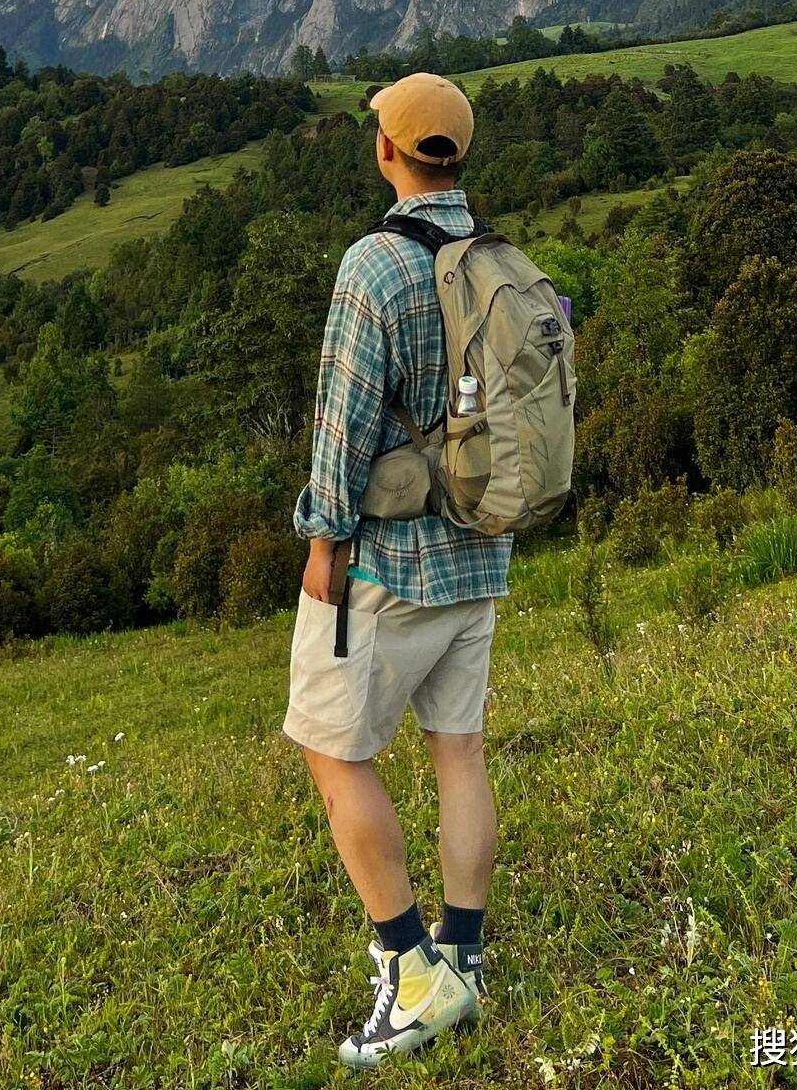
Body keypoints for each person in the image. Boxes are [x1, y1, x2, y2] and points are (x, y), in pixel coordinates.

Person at [285, 70, 503, 1069]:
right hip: (481, 547)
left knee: (335, 754)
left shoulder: (373, 268)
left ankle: (412, 971)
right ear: (457, 156)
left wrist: (323, 543)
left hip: (392, 560)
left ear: (390, 153)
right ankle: (465, 954)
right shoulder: (496, 258)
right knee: (460, 752)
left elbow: (342, 427)